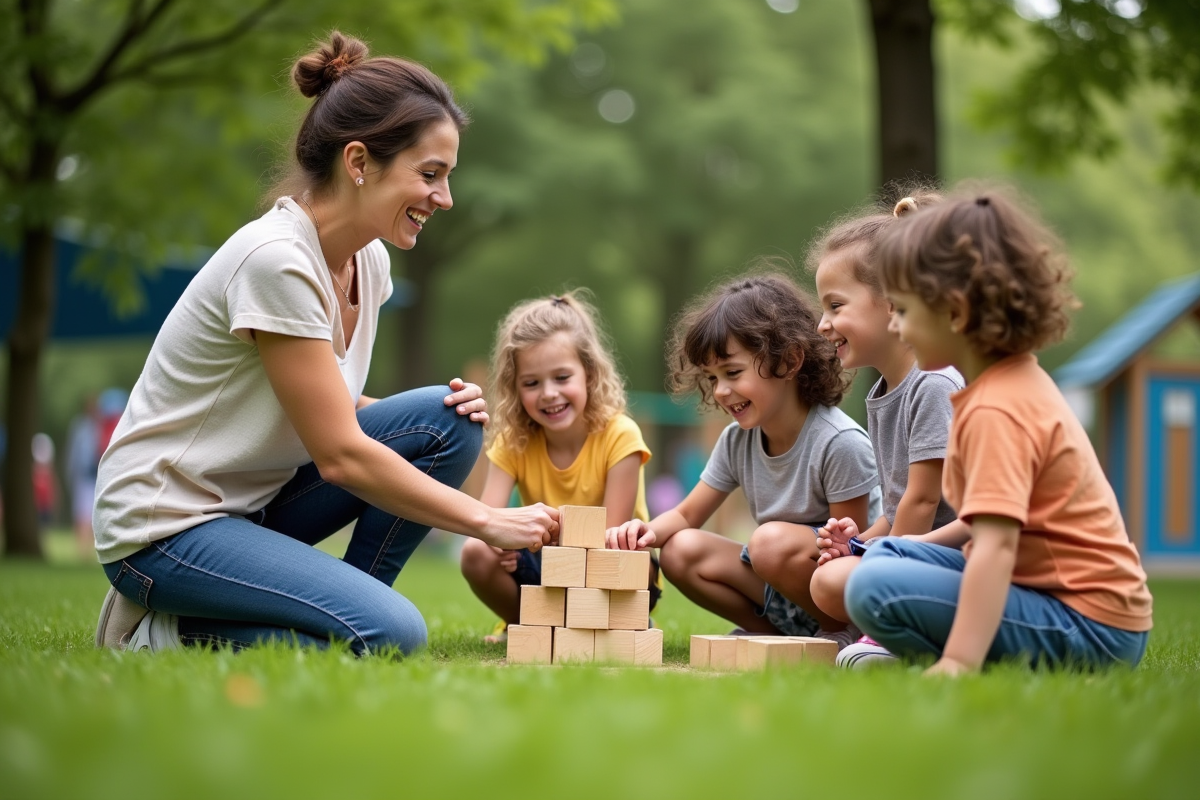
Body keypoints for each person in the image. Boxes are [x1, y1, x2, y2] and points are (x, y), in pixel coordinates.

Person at [92, 32, 558, 655]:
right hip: (166, 529)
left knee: (446, 424)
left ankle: (346, 618)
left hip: (248, 507)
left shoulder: (369, 263)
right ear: (360, 163)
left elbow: (321, 401)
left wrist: (413, 412)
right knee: (397, 633)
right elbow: (338, 455)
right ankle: (160, 629)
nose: (445, 198)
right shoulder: (276, 262)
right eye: (430, 175)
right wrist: (487, 520)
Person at [844, 187, 1153, 674]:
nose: (897, 328)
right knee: (883, 560)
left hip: (1090, 625)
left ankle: (951, 658)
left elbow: (995, 545)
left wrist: (959, 665)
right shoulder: (1004, 384)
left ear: (955, 311)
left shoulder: (997, 409)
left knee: (871, 587)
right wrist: (894, 548)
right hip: (1057, 601)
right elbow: (987, 519)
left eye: (902, 311)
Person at [608, 273, 881, 646]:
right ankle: (771, 637)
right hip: (778, 584)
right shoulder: (737, 440)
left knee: (767, 543)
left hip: (835, 588)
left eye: (733, 372)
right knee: (679, 550)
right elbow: (688, 515)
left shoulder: (839, 442)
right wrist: (647, 533)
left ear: (789, 360)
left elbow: (851, 549)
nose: (721, 391)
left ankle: (842, 633)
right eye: (713, 377)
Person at [805, 191, 965, 668]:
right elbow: (898, 509)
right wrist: (858, 539)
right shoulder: (883, 393)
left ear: (891, 301)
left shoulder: (934, 385)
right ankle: (900, 633)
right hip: (921, 553)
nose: (821, 325)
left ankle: (889, 635)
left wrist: (880, 556)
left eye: (835, 306)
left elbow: (923, 502)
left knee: (839, 582)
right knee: (827, 578)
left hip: (958, 558)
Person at [459, 291, 656, 640]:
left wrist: (529, 534)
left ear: (589, 374)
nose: (549, 394)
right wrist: (500, 544)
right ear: (515, 388)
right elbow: (486, 520)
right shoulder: (513, 441)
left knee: (612, 557)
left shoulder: (620, 435)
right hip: (545, 562)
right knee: (475, 552)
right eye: (532, 383)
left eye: (562, 377)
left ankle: (616, 621)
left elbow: (608, 537)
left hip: (615, 565)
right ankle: (533, 625)